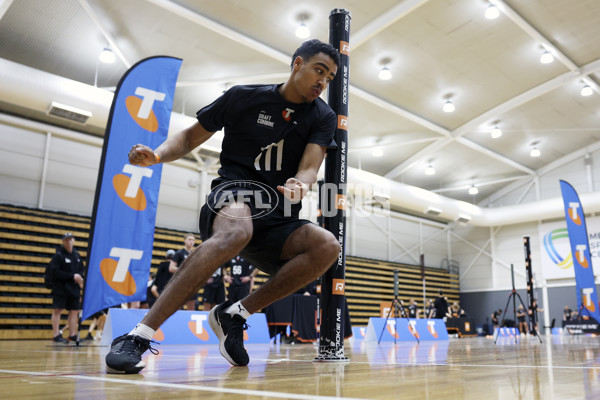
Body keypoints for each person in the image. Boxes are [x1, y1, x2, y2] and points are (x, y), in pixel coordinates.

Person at [105, 39, 341, 373]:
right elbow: (188, 138)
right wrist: (157, 155)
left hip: (277, 214)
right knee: (237, 231)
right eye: (319, 70)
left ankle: (235, 314)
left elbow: (309, 167)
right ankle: (138, 335)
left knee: (327, 246)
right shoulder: (243, 97)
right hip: (235, 194)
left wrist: (300, 183)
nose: (323, 81)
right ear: (297, 64)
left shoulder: (323, 116)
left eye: (330, 78)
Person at [49, 232, 84, 343]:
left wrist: (80, 278)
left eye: (70, 239)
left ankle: (72, 335)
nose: (69, 241)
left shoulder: (77, 255)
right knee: (58, 310)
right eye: (66, 240)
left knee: (74, 311)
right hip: (61, 287)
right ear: (63, 241)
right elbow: (54, 272)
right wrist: (72, 276)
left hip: (74, 288)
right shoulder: (58, 256)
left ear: (73, 240)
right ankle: (56, 335)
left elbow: (81, 270)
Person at [171, 233, 197, 311]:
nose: (191, 242)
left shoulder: (195, 254)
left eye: (193, 240)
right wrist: (183, 270)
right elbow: (171, 268)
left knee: (191, 307)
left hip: (192, 283)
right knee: (178, 306)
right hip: (181, 282)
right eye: (189, 239)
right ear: (185, 241)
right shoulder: (179, 253)